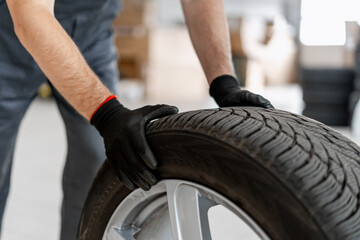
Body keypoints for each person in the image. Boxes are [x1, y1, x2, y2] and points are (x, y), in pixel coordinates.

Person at [0, 0, 273, 239]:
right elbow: (30, 12)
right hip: (9, 34)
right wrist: (107, 114)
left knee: (97, 160)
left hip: (89, 33)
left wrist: (223, 82)